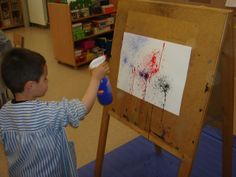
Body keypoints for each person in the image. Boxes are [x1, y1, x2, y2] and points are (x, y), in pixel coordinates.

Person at [0, 48, 110, 177]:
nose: (48, 80)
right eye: (45, 78)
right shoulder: (45, 113)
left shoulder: (4, 112)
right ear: (30, 86)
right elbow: (81, 108)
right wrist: (96, 79)